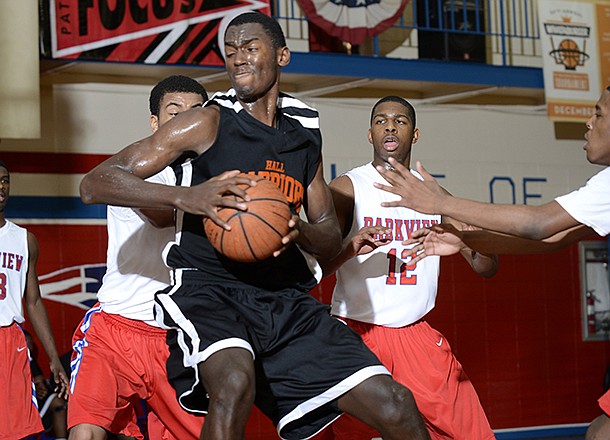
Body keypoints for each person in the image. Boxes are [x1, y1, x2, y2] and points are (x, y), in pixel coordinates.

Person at [79, 11, 430, 440]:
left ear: (282, 55)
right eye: (230, 52)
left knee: (397, 404)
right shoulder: (208, 121)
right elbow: (95, 183)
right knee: (234, 383)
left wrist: (292, 226)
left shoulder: (303, 138)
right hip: (211, 292)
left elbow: (327, 236)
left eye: (249, 48)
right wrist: (187, 197)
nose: (238, 59)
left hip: (283, 299)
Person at [370, 87, 610, 439]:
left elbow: (537, 223)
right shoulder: (353, 184)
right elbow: (552, 240)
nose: (588, 123)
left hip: (410, 338)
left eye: (599, 114)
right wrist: (467, 239)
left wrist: (442, 203)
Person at [318, 96, 498, 439]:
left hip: (415, 334)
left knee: (470, 432)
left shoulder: (434, 195)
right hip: (355, 334)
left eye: (400, 121)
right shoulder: (347, 188)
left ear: (414, 134)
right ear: (369, 134)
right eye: (381, 120)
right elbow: (312, 267)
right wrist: (349, 249)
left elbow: (485, 267)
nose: (389, 126)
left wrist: (474, 238)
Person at [68, 75, 207, 440]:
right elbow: (159, 215)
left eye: (195, 113)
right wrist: (200, 201)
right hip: (117, 326)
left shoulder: (218, 172)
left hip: (178, 337)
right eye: (174, 112)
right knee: (86, 432)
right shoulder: (136, 167)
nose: (184, 122)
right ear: (155, 123)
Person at [0, 159, 69, 439]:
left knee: (16, 430)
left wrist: (53, 358)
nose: (1, 186)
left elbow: (34, 302)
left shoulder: (24, 239)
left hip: (10, 342)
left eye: (5, 180)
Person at [25, 330, 69, 440]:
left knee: (58, 402)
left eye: (30, 345)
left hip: (31, 401)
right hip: (14, 402)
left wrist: (40, 388)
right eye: (26, 343)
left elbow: (39, 381)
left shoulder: (31, 361)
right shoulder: (8, 357)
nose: (29, 348)